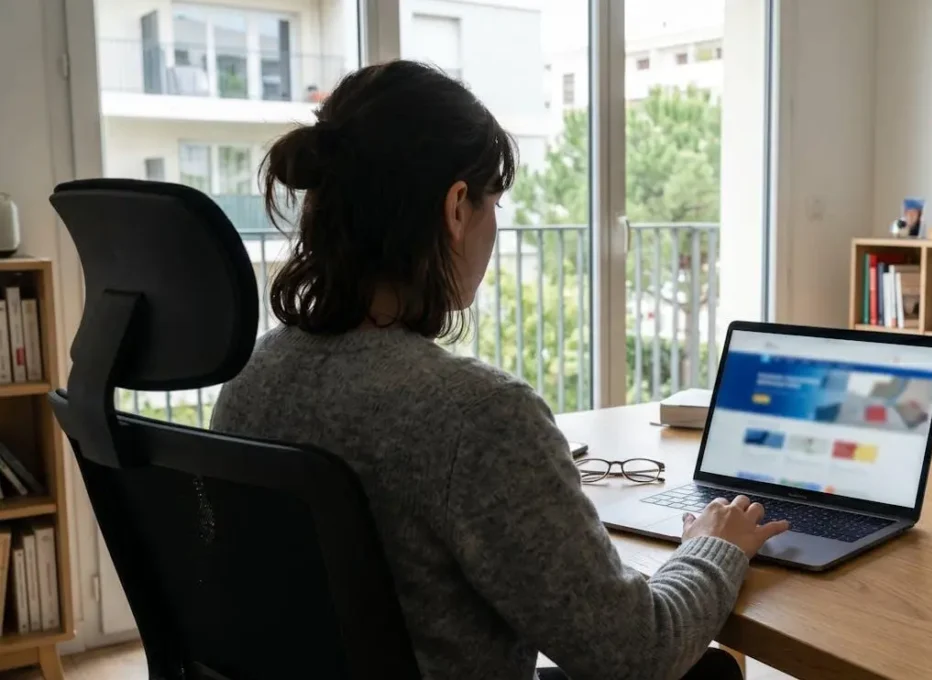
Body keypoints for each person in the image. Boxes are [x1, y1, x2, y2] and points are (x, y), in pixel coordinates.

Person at [211, 60, 789, 680]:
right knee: (707, 672)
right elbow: (637, 652)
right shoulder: (478, 414)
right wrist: (715, 545)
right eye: (494, 203)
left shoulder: (252, 378)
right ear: (457, 207)